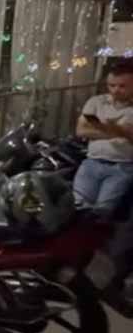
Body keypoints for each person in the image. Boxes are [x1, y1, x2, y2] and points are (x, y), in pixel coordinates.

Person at [73, 61, 133, 217]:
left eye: (122, 86)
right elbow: (81, 130)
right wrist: (117, 131)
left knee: (102, 211)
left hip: (122, 166)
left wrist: (100, 128)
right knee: (78, 206)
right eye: (111, 85)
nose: (115, 90)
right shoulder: (96, 102)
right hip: (92, 162)